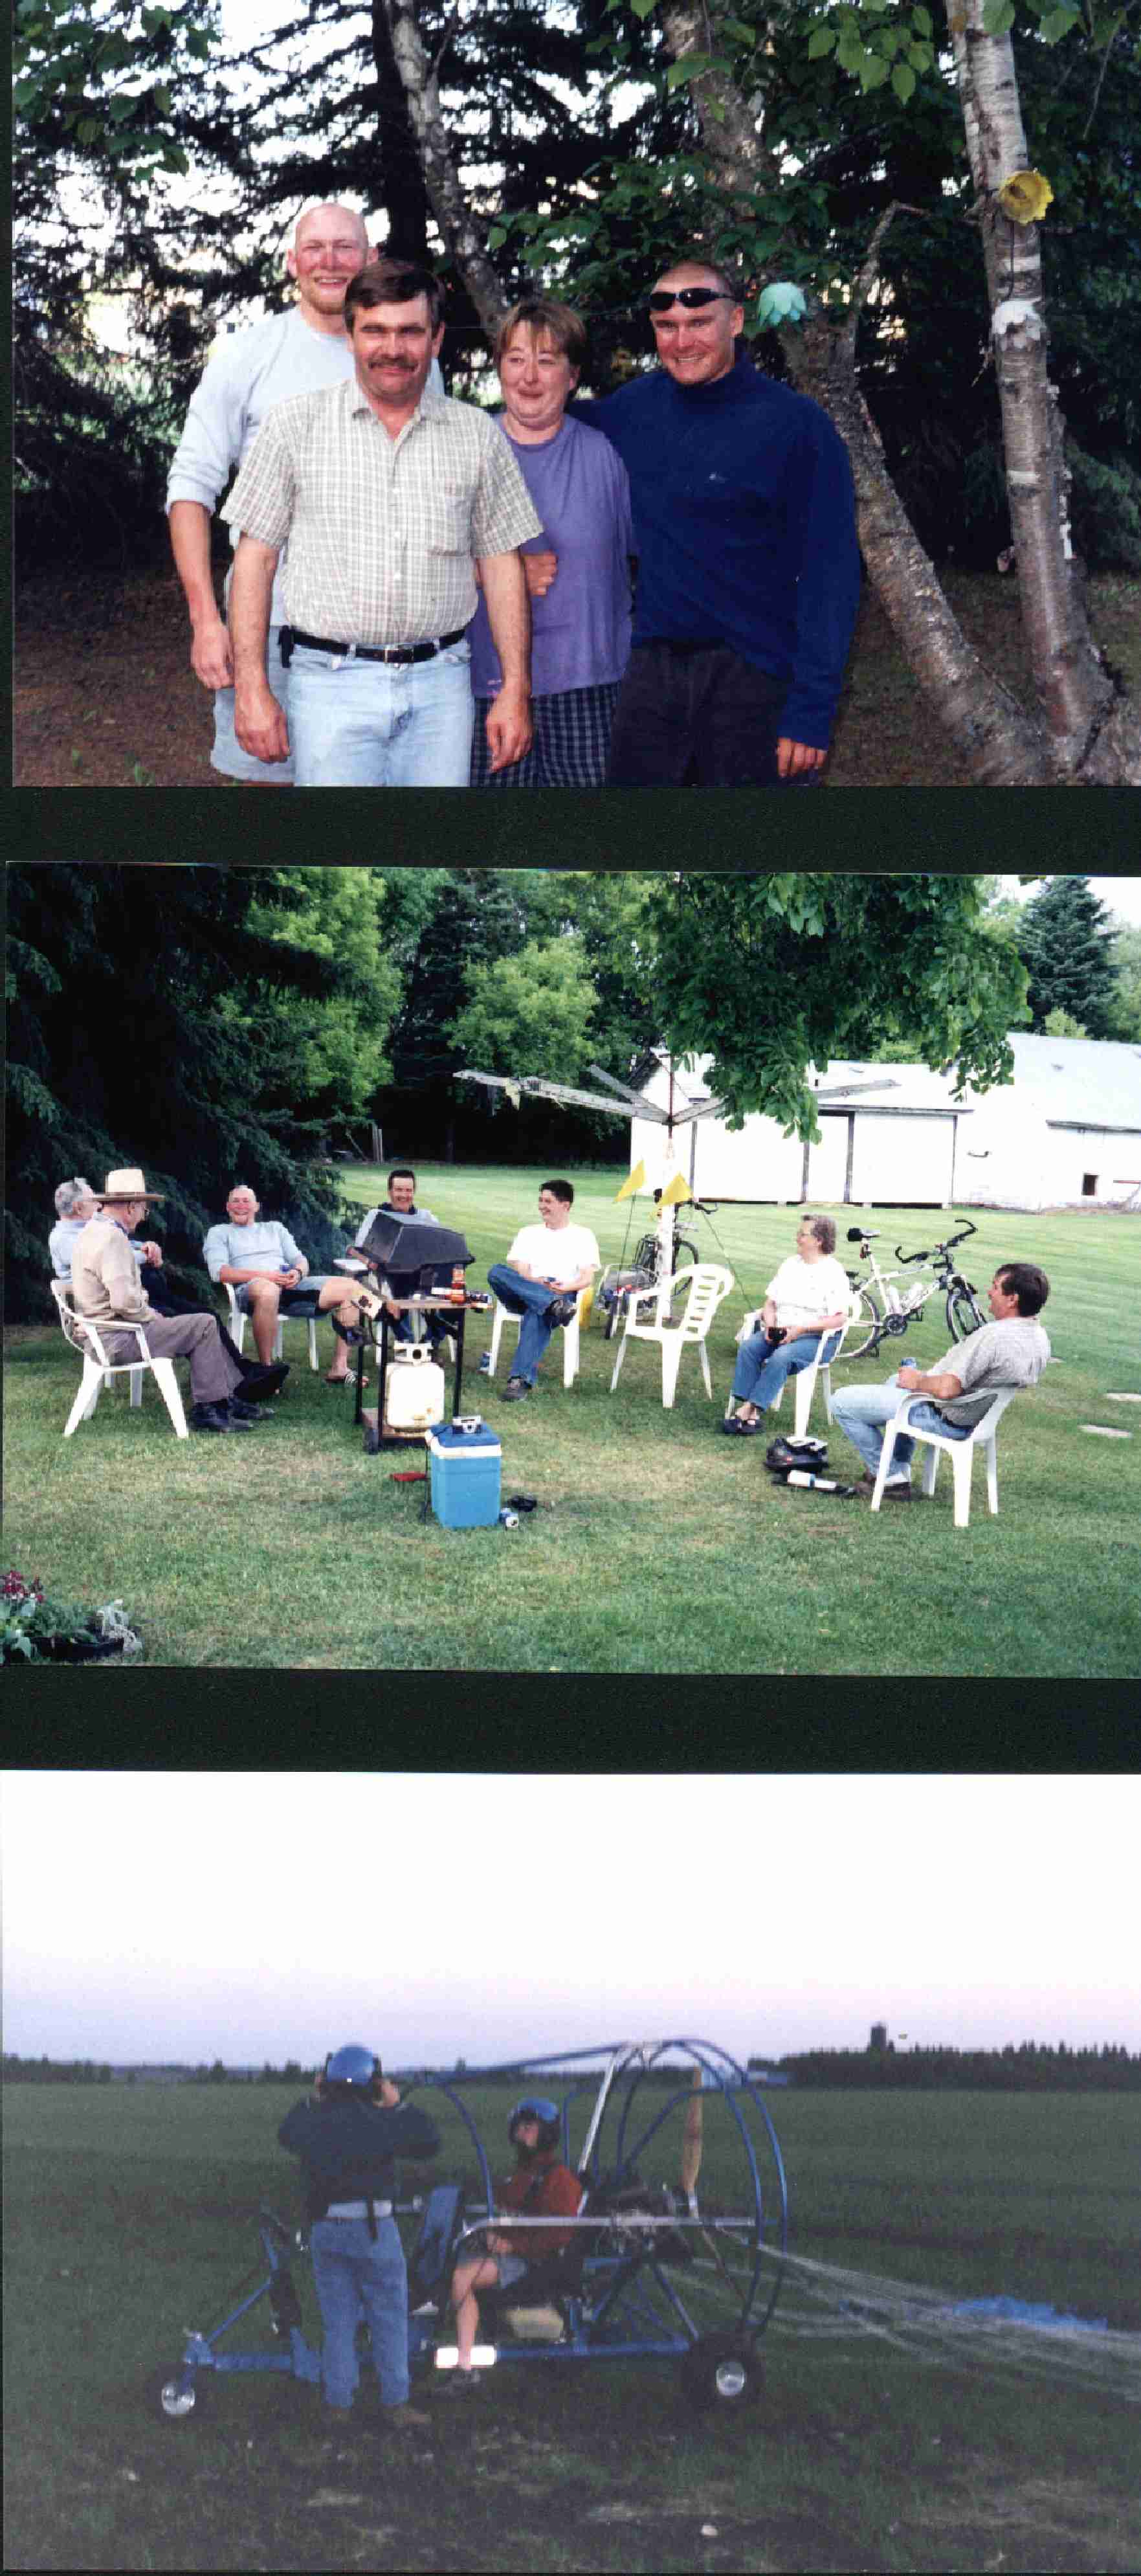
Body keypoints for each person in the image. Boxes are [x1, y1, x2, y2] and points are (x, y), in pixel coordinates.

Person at [222, 256, 542, 786]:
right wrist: (253, 689)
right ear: (350, 336)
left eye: (410, 332)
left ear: (436, 339)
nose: (392, 349)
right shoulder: (293, 427)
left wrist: (514, 689)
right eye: (375, 331)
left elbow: (502, 563)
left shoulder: (476, 436)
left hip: (442, 686)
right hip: (328, 685)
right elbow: (254, 561)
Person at [166, 202, 446, 787]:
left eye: (345, 247)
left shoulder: (408, 358)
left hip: (394, 642)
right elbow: (191, 489)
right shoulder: (248, 355)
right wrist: (204, 620)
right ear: (292, 261)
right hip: (275, 627)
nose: (329, 261)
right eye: (314, 248)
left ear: (370, 258)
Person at [571, 249, 860, 787]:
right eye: (666, 327)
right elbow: (545, 419)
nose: (682, 342)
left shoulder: (796, 426)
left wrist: (811, 711)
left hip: (757, 675)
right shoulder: (634, 409)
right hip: (654, 672)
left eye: (698, 324)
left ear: (735, 320)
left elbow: (832, 577)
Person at [468, 297, 634, 788]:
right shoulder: (466, 450)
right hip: (484, 686)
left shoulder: (605, 454)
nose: (529, 377)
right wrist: (492, 573)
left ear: (572, 374)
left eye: (546, 361)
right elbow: (413, 564)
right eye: (516, 359)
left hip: (588, 684)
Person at [278, 2043, 440, 2427]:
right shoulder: (382, 2120)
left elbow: (287, 2132)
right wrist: (396, 2104)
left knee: (338, 2323)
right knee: (389, 2319)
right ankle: (396, 2404)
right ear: (374, 2081)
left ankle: (338, 2404)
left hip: (327, 2233)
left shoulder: (314, 2120)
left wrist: (313, 2098)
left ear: (328, 2080)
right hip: (374, 2232)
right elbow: (429, 2141)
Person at [69, 1170, 283, 1433]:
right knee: (204, 1323)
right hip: (118, 1338)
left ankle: (225, 1401)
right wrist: (151, 1314)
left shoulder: (95, 1230)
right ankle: (209, 1409)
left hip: (105, 1332)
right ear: (131, 1207)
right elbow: (124, 1302)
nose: (144, 1214)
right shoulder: (112, 1238)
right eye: (145, 1209)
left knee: (202, 1320)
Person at [831, 1262, 1052, 1499]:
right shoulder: (1038, 1337)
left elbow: (948, 1390)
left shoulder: (994, 1337)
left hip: (944, 1418)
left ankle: (890, 1477)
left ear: (1012, 1300)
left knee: (841, 1402)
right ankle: (898, 1468)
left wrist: (918, 1381)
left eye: (996, 1287)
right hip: (976, 1419)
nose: (989, 1292)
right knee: (896, 1380)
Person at [443, 2098, 583, 2397]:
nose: (521, 2133)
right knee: (447, 2264)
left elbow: (560, 2235)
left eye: (529, 2128)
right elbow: (505, 2211)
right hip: (509, 2254)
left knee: (461, 2278)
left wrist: (511, 2245)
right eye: (519, 2127)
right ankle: (469, 2339)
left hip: (532, 2262)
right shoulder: (523, 2174)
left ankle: (466, 2369)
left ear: (546, 2133)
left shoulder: (560, 2180)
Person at [724, 1215, 851, 1435]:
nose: (797, 1238)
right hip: (780, 1330)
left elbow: (839, 1319)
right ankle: (752, 1412)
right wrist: (770, 1324)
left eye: (803, 1234)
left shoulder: (833, 1272)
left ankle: (748, 1409)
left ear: (819, 1241)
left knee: (782, 1356)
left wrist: (801, 1329)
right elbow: (771, 1302)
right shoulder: (791, 1264)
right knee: (749, 1348)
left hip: (815, 1337)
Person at [203, 1183, 344, 1372]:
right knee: (268, 1290)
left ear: (256, 1207)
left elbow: (300, 1259)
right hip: (251, 1291)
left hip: (290, 1287)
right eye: (235, 1201)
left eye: (246, 1201)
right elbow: (220, 1273)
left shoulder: (275, 1229)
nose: (241, 1206)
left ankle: (340, 1368)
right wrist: (267, 1277)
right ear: (228, 1207)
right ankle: (267, 1369)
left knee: (348, 1286)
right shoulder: (219, 1232)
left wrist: (299, 1272)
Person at [487, 1181, 599, 1402]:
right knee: (497, 1272)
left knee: (537, 1312)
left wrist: (564, 1288)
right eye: (541, 1200)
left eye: (548, 1201)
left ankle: (518, 1380)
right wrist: (536, 1283)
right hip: (526, 1290)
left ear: (565, 1205)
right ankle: (550, 1305)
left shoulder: (583, 1236)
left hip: (562, 1293)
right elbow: (521, 1271)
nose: (542, 1206)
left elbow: (587, 1278)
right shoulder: (528, 1233)